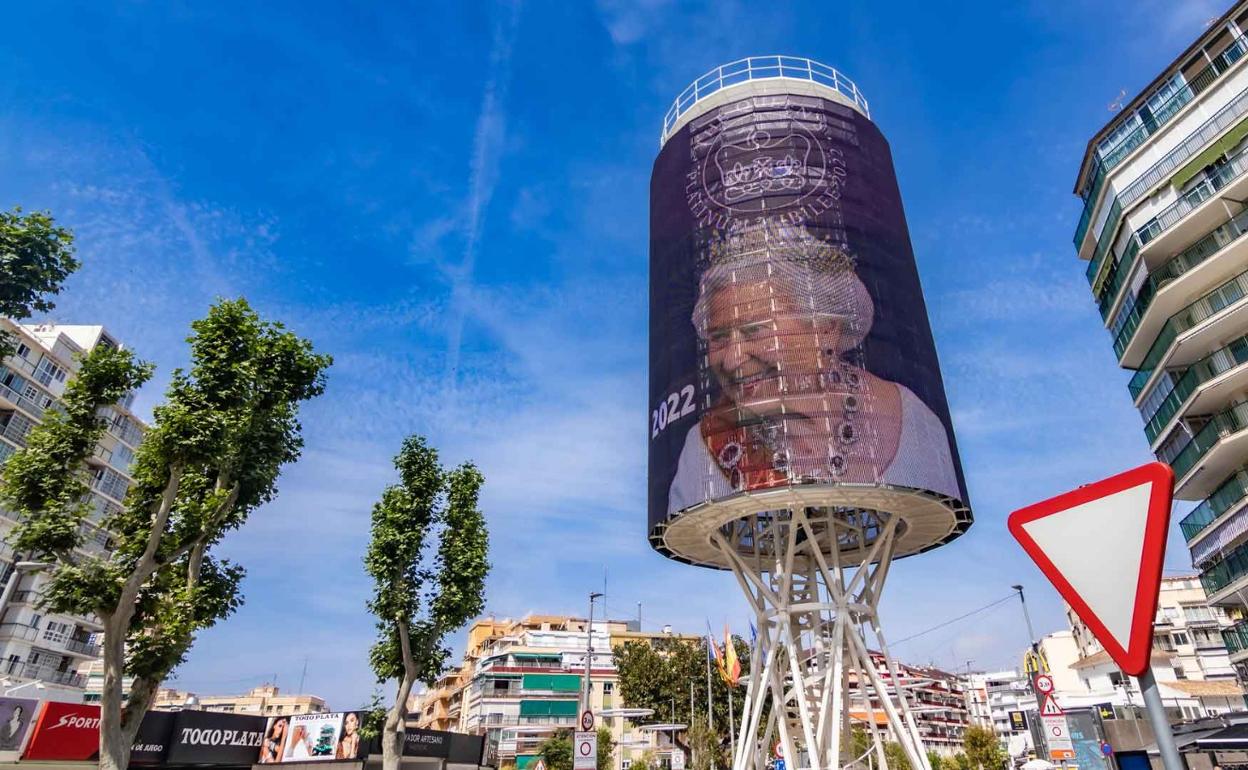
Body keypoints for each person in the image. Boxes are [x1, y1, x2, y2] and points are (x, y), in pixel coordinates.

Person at [668, 223, 959, 513]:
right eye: (718, 337)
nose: (732, 360)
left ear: (827, 328)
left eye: (755, 330)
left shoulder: (914, 424)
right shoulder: (702, 452)